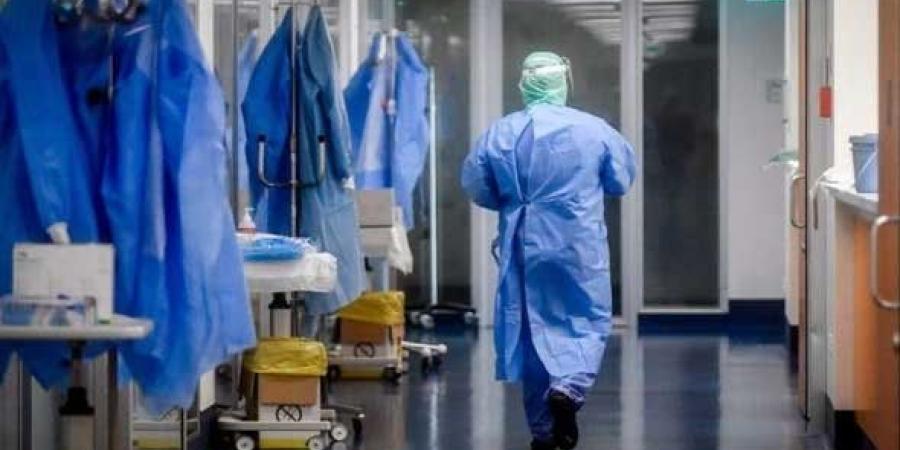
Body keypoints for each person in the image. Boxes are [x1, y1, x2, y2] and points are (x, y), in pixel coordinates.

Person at [461, 52, 636, 450]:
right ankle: (569, 388)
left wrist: (516, 201)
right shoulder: (594, 130)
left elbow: (477, 186)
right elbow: (620, 180)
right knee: (587, 319)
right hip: (578, 244)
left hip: (523, 243)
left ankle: (543, 432)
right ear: (563, 83)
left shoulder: (500, 133)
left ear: (524, 83)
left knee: (532, 331)